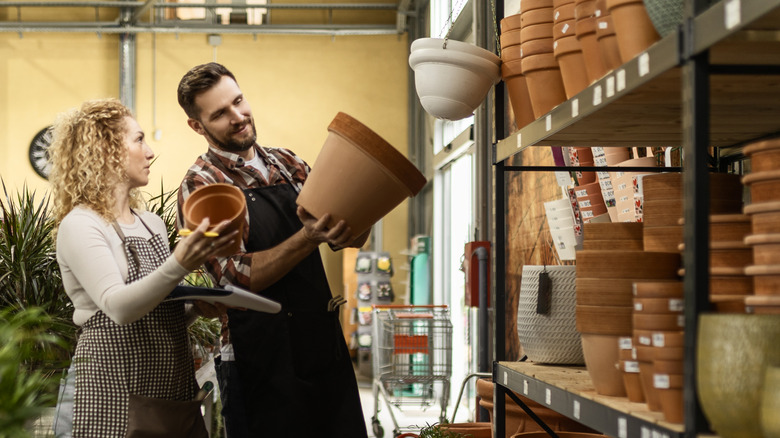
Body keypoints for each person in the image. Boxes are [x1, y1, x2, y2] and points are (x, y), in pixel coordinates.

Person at [176, 62, 370, 438]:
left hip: (320, 343)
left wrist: (363, 201)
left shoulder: (288, 163)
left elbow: (346, 239)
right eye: (219, 113)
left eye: (238, 101)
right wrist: (306, 238)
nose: (238, 117)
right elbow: (233, 280)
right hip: (258, 358)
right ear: (197, 126)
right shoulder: (204, 184)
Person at [49, 98, 237, 438]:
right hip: (112, 392)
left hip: (169, 391)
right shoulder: (81, 225)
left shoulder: (151, 224)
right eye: (138, 140)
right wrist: (180, 263)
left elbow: (153, 313)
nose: (150, 152)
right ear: (105, 150)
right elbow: (119, 309)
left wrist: (196, 308)